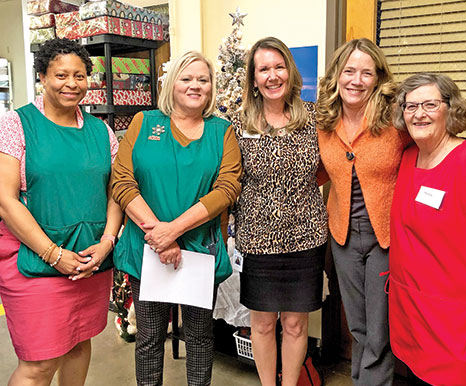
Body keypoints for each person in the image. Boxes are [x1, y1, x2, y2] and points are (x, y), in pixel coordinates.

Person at [111, 50, 242, 386]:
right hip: (146, 249)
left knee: (199, 338)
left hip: (199, 253)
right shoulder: (145, 123)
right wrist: (158, 235)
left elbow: (227, 188)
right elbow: (122, 181)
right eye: (187, 78)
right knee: (150, 338)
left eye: (203, 79)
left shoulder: (221, 132)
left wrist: (172, 232)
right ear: (172, 83)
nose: (195, 86)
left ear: (212, 87)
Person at [0, 38, 122, 386]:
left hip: (88, 261)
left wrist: (107, 243)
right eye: (61, 75)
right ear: (42, 76)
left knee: (78, 344)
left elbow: (116, 191)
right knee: (38, 365)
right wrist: (54, 254)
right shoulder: (16, 125)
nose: (72, 84)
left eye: (80, 76)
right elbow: (6, 200)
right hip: (34, 260)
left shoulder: (101, 131)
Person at [389, 72, 466, 386]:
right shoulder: (408, 158)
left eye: (429, 104)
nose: (419, 113)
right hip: (411, 311)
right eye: (410, 106)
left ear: (451, 109)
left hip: (456, 321)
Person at [233, 36, 328, 386]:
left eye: (278, 66)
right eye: (263, 69)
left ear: (289, 71)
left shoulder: (314, 117)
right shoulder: (239, 122)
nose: (272, 75)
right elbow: (229, 177)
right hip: (257, 240)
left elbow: (329, 166)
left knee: (295, 324)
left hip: (307, 238)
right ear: (254, 78)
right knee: (261, 323)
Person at [316, 38, 410, 385]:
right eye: (349, 71)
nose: (356, 80)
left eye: (366, 73)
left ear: (378, 78)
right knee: (358, 325)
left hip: (385, 238)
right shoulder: (324, 121)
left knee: (379, 330)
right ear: (337, 76)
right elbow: (319, 171)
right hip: (342, 236)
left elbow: (426, 158)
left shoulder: (396, 121)